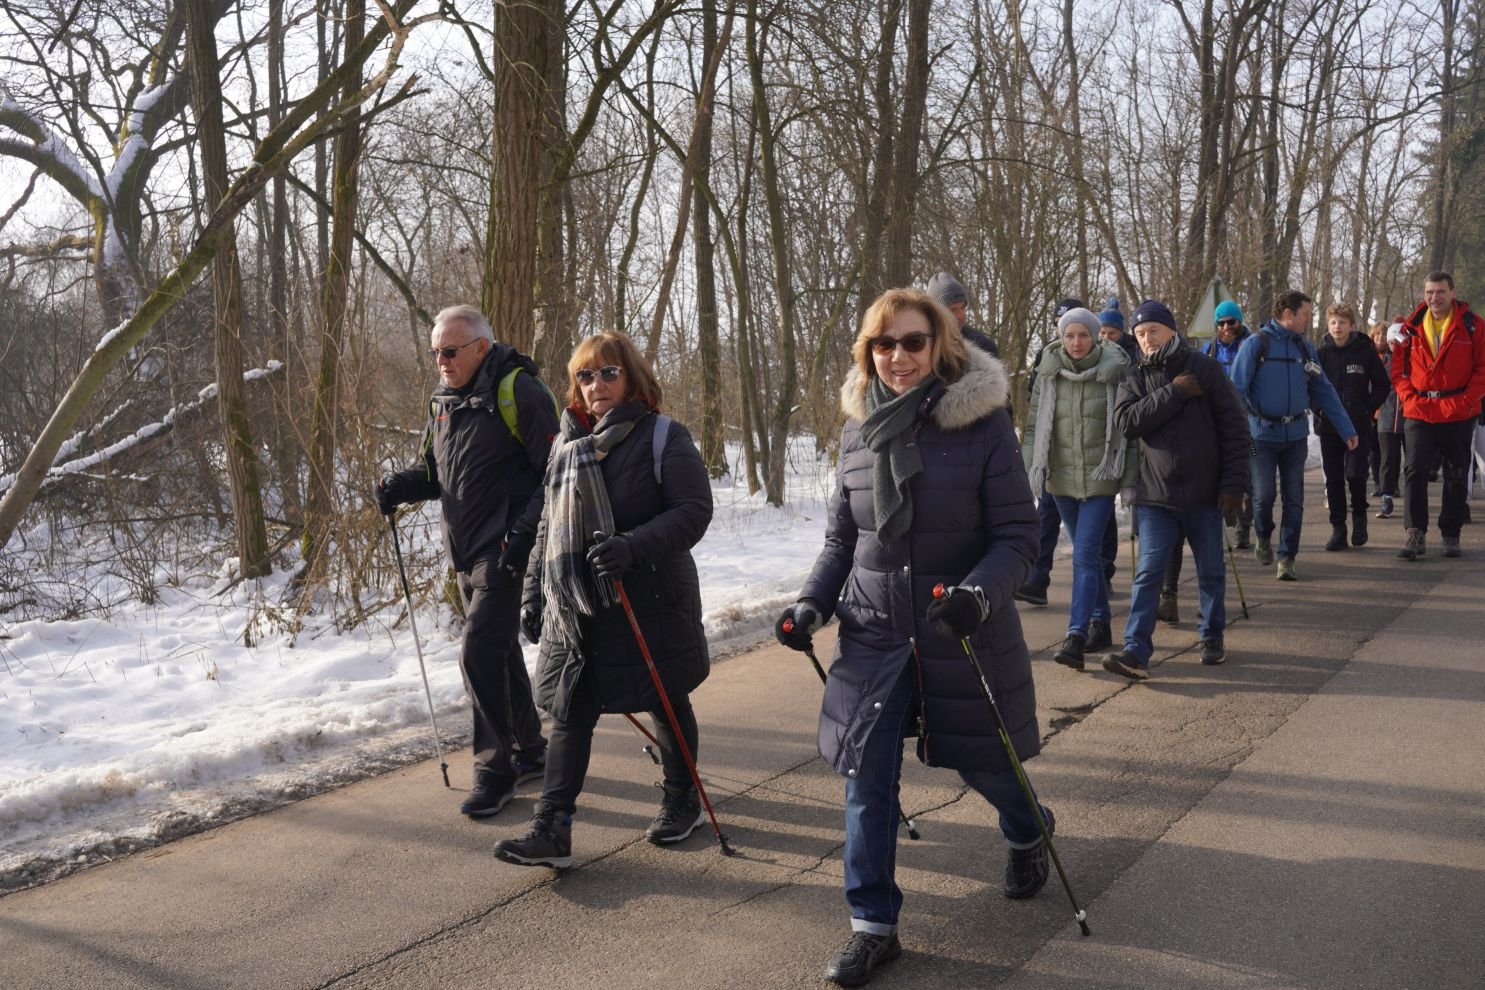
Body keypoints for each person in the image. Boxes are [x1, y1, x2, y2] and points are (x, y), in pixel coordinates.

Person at [774, 287, 1047, 988]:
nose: (897, 356)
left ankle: (1027, 827)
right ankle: (872, 927)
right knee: (866, 778)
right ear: (868, 351)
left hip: (958, 628)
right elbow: (843, 536)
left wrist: (976, 595)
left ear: (940, 346)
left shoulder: (982, 426)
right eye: (883, 344)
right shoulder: (858, 430)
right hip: (874, 631)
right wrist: (811, 602)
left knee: (982, 763)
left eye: (912, 342)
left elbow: (1019, 534)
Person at [495, 332, 714, 868]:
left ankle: (681, 797)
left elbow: (693, 510)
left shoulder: (664, 436)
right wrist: (533, 595)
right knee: (571, 709)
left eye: (608, 373)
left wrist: (632, 547)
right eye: (585, 377)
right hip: (577, 608)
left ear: (632, 378)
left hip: (650, 598)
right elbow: (549, 525)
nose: (596, 385)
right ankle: (553, 827)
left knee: (664, 697)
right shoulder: (565, 449)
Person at [376, 304, 555, 817]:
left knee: (477, 652)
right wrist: (398, 486)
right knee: (497, 653)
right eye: (435, 353)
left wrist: (523, 537)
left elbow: (553, 474)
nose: (441, 361)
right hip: (465, 551)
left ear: (480, 347)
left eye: (450, 351)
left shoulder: (520, 390)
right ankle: (529, 749)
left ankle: (494, 772)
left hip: (507, 550)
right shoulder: (443, 402)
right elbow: (436, 475)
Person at [1102, 300, 1249, 679]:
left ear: (1171, 330)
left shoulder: (1205, 368)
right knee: (1149, 573)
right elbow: (1126, 422)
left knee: (1211, 571)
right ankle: (1136, 650)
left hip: (1205, 493)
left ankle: (1212, 635)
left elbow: (1234, 428)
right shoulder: (1134, 375)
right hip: (1156, 496)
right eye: (1139, 333)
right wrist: (1174, 393)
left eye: (1153, 330)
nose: (1146, 339)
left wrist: (1234, 485)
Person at [1022, 306, 1135, 671]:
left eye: (1083, 335)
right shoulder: (1047, 372)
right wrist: (1028, 475)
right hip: (1059, 480)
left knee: (1085, 556)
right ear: (1060, 337)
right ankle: (1100, 621)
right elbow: (1033, 427)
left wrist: (1129, 480)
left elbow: (1127, 430)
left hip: (1101, 477)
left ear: (1095, 336)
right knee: (1088, 560)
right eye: (1069, 335)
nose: (1076, 342)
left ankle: (1075, 635)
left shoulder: (1115, 371)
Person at [1230, 290, 1356, 581]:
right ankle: (1263, 534)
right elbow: (1235, 390)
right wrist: (1235, 431)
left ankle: (1287, 557)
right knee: (1262, 497)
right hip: (1260, 437)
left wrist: (1346, 428)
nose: (1308, 321)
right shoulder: (1255, 345)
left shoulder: (1305, 348)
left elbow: (1324, 389)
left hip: (1296, 436)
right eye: (1305, 316)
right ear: (1288, 314)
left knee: (1294, 499)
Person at [1388, 271, 1485, 559]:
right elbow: (1398, 369)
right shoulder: (1410, 326)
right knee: (1415, 470)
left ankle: (1451, 534)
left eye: (1441, 291)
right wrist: (1408, 396)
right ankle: (1414, 534)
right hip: (1420, 410)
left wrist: (1467, 401)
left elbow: (1482, 369)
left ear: (1453, 293)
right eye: (1430, 292)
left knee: (1456, 472)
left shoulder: (1473, 326)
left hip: (1457, 411)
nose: (1435, 297)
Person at [1015, 296, 1085, 606]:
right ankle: (1037, 578)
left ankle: (1099, 573)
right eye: (1062, 323)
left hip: (1087, 455)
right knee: (1046, 513)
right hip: (1052, 453)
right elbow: (1034, 400)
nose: (1069, 332)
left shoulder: (1101, 355)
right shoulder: (1046, 354)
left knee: (1089, 521)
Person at [1316, 303, 1389, 550]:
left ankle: (1359, 517)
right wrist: (1319, 410)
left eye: (1342, 322)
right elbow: (1311, 387)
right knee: (1334, 480)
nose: (1337, 327)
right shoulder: (1321, 354)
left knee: (1355, 474)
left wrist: (1368, 408)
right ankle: (1338, 528)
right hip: (1329, 427)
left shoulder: (1365, 351)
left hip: (1358, 425)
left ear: (1352, 326)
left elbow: (1382, 384)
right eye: (1333, 322)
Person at [1371, 321, 1403, 520]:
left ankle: (1416, 497)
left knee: (1414, 463)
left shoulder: (1413, 360)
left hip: (1412, 417)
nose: (1393, 345)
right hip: (1386, 417)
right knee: (1387, 459)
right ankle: (1386, 496)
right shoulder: (1381, 361)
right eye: (1390, 342)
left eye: (1397, 341)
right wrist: (1373, 409)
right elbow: (1372, 386)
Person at [927, 271, 999, 356]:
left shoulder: (983, 347)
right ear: (935, 312)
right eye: (953, 310)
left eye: (962, 308)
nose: (960, 315)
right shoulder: (919, 344)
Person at [1098, 297, 1140, 364]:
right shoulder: (1093, 349)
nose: (1106, 337)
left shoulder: (1135, 351)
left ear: (1121, 332)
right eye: (1103, 333)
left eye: (1112, 333)